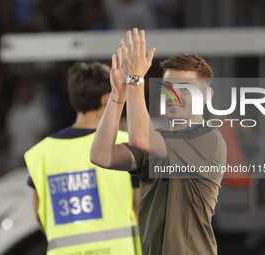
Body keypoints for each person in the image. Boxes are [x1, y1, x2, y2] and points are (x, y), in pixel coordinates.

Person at [90, 28, 227, 255]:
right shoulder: (161, 140)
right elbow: (101, 156)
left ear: (206, 97)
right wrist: (117, 96)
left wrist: (135, 79)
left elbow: (140, 138)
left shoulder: (208, 139)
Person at [25, 62, 141, 255]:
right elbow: (141, 209)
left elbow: (39, 214)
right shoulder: (125, 145)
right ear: (106, 98)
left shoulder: (41, 153)